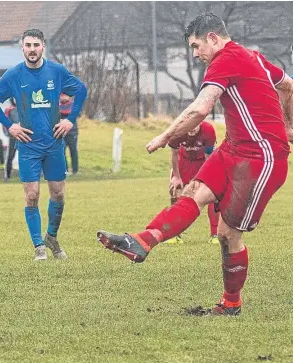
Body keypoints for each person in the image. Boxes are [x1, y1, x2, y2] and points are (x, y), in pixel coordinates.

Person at [97, 14, 292, 316]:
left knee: (228, 233)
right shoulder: (252, 56)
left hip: (261, 157)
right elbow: (288, 86)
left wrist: (165, 136)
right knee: (194, 191)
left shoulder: (225, 60)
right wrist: (287, 121)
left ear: (213, 38)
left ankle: (231, 303)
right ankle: (142, 241)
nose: (196, 54)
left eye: (196, 46)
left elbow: (201, 108)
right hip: (234, 148)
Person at [0, 29, 87, 260]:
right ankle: (38, 246)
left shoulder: (56, 71)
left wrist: (70, 120)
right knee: (32, 195)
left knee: (58, 194)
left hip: (53, 144)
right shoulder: (14, 75)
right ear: (22, 48)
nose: (32, 49)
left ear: (43, 47)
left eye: (36, 45)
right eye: (28, 45)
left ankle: (51, 236)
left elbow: (81, 90)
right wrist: (10, 126)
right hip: (28, 144)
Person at [164, 121, 220, 244]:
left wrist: (204, 179)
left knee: (213, 193)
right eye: (189, 126)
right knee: (175, 191)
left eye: (195, 125)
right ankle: (175, 235)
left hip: (203, 162)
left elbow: (208, 157)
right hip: (183, 162)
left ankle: (215, 235)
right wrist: (177, 177)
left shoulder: (208, 130)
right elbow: (173, 155)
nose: (192, 129)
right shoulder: (177, 130)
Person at [60, 93, 79, 175]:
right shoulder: (57, 105)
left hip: (72, 131)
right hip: (61, 132)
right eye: (62, 96)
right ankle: (65, 170)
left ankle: (75, 170)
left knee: (73, 150)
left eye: (65, 96)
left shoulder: (73, 105)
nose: (63, 98)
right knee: (62, 150)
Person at [4, 97, 19, 180]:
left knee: (26, 155)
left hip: (23, 134)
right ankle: (7, 175)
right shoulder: (9, 109)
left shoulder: (24, 107)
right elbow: (5, 122)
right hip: (13, 135)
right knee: (10, 155)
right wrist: (8, 133)